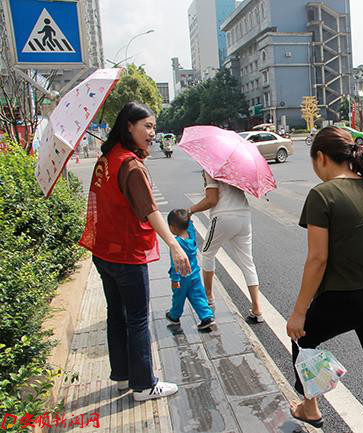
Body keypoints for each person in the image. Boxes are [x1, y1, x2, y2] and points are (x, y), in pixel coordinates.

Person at [287, 126, 363, 432]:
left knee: (302, 338)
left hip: (342, 297)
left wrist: (299, 312)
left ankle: (310, 409)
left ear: (322, 158)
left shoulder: (322, 195)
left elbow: (317, 259)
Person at [79, 102, 190, 401]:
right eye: (148, 126)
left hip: (103, 252)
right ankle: (143, 385)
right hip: (126, 255)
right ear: (129, 125)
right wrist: (174, 243)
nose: (153, 133)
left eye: (154, 127)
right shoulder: (130, 164)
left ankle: (123, 376)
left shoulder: (107, 158)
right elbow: (150, 210)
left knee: (116, 314)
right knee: (138, 319)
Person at [189, 172, 263, 323]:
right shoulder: (236, 168)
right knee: (247, 263)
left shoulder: (212, 168)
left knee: (207, 253)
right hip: (244, 216)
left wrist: (191, 210)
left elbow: (212, 200)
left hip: (223, 217)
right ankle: (257, 309)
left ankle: (209, 299)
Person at [166, 209, 215, 330]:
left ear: (172, 228)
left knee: (178, 297)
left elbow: (175, 264)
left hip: (181, 278)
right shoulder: (191, 235)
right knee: (198, 296)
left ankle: (174, 316)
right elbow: (191, 226)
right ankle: (207, 316)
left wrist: (174, 279)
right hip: (194, 275)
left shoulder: (176, 243)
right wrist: (189, 218)